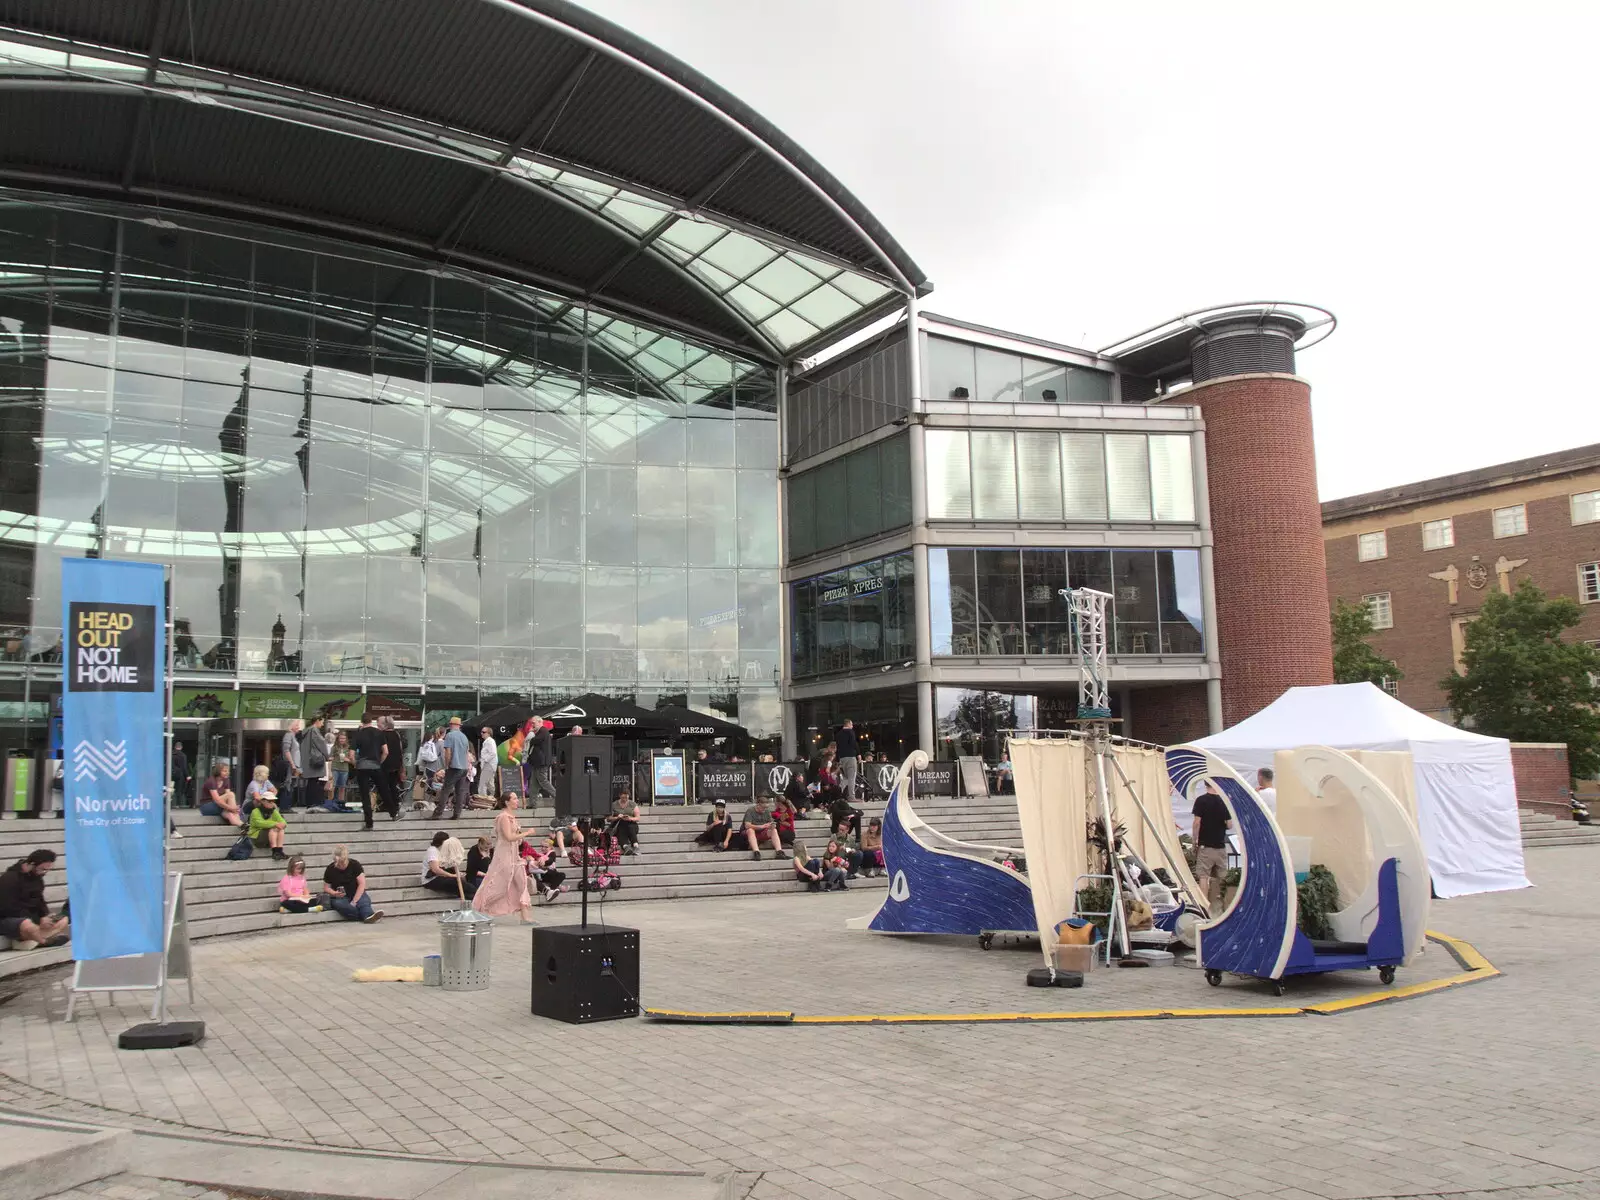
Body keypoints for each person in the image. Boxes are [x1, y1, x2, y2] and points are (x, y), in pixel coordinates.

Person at [474, 792, 536, 922]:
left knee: (522, 883)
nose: (517, 800)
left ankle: (525, 917)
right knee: (499, 885)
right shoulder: (503, 817)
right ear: (507, 802)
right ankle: (481, 910)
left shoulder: (512, 817)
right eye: (514, 798)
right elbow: (508, 837)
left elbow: (514, 839)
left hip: (514, 855)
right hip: (504, 855)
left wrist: (520, 837)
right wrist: (527, 833)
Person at [0, 850, 69, 947]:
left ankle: (33, 938)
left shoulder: (37, 878)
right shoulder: (10, 878)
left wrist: (44, 916)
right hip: (10, 919)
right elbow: (8, 909)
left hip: (31, 916)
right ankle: (44, 942)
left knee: (63, 919)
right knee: (27, 924)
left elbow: (39, 900)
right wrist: (35, 918)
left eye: (47, 870)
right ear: (32, 864)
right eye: (42, 869)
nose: (44, 873)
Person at [1191, 782, 1232, 912]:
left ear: (1205, 784)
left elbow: (1197, 822)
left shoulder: (1201, 800)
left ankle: (1204, 907)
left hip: (1205, 846)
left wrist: (1194, 840)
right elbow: (1230, 825)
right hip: (1220, 846)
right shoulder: (1224, 801)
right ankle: (1222, 907)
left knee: (1204, 876)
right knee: (1222, 877)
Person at [350, 713, 393, 829]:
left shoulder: (358, 734)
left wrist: (355, 764)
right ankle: (393, 813)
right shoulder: (379, 733)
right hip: (375, 766)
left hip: (362, 767)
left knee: (365, 795)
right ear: (371, 720)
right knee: (384, 789)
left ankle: (369, 823)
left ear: (362, 721)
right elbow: (386, 751)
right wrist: (379, 762)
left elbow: (351, 754)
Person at [321, 845, 382, 923]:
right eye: (337, 863)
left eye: (342, 862)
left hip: (356, 892)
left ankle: (368, 915)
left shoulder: (355, 865)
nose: (340, 865)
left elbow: (362, 884)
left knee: (364, 901)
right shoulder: (330, 869)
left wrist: (354, 901)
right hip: (341, 897)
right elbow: (326, 887)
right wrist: (334, 893)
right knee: (339, 904)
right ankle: (366, 917)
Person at [436, 716, 471, 820]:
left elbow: (448, 752)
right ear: (459, 726)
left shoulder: (449, 735)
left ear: (451, 725)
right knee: (460, 791)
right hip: (464, 767)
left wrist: (447, 765)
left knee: (446, 790)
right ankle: (457, 814)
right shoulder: (464, 737)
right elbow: (466, 753)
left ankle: (438, 813)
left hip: (454, 767)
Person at [421, 830, 466, 896]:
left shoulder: (442, 849)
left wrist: (458, 873)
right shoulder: (432, 851)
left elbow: (450, 864)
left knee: (463, 879)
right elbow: (435, 870)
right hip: (431, 880)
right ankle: (473, 895)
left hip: (439, 876)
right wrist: (452, 875)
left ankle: (472, 894)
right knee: (455, 881)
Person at [248, 788, 288, 861]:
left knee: (280, 829)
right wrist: (275, 824)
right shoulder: (255, 811)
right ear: (263, 801)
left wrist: (282, 824)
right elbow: (259, 823)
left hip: (269, 836)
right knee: (274, 828)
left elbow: (283, 821)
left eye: (273, 801)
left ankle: (279, 850)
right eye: (269, 801)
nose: (272, 803)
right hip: (256, 837)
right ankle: (275, 851)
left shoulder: (274, 811)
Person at [379, 716, 407, 816]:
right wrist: (401, 766)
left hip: (385, 764)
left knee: (384, 786)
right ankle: (395, 805)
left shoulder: (382, 735)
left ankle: (386, 805)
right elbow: (400, 751)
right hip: (395, 765)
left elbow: (382, 750)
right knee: (393, 786)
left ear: (385, 725)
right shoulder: (397, 734)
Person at [301, 715, 330, 811]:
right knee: (314, 782)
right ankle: (312, 803)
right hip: (315, 760)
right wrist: (327, 755)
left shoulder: (306, 731)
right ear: (317, 720)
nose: (322, 724)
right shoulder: (314, 730)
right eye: (322, 722)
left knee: (311, 782)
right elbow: (321, 744)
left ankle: (309, 803)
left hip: (308, 760)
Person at [523, 719, 556, 800]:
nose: (532, 725)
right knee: (533, 783)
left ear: (540, 722)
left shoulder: (543, 731)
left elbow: (533, 741)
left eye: (534, 723)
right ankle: (532, 803)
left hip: (541, 762)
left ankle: (558, 797)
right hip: (537, 762)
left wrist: (531, 733)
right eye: (531, 723)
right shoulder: (540, 732)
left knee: (543, 781)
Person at [326, 729, 354, 812]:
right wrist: (333, 758)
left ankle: (340, 804)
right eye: (340, 738)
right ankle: (330, 804)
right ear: (338, 739)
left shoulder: (349, 748)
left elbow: (352, 761)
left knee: (342, 787)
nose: (342, 740)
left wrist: (347, 759)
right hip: (335, 768)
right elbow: (329, 757)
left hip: (344, 769)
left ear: (346, 739)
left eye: (343, 738)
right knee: (332, 786)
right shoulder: (334, 747)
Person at [607, 790, 640, 856]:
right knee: (622, 823)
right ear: (620, 796)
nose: (624, 799)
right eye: (623, 798)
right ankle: (632, 845)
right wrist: (617, 817)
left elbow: (637, 818)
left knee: (629, 825)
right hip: (618, 824)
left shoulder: (632, 804)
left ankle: (630, 845)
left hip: (631, 824)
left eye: (626, 798)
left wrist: (630, 818)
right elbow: (608, 818)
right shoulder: (614, 804)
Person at [415, 727, 442, 810]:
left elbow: (420, 757)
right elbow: (435, 756)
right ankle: (431, 802)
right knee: (433, 785)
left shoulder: (423, 745)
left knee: (428, 784)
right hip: (433, 767)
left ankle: (426, 801)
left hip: (425, 767)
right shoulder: (431, 744)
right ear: (431, 737)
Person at [835, 718, 860, 801]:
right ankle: (851, 796)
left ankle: (838, 794)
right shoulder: (850, 732)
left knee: (845, 778)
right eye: (851, 724)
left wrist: (838, 759)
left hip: (842, 758)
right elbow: (853, 743)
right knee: (851, 777)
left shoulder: (838, 734)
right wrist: (858, 753)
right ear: (848, 724)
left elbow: (837, 747)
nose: (852, 726)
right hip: (850, 757)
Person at [281, 719, 303, 811]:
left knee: (292, 785)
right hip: (291, 765)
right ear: (291, 726)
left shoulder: (293, 736)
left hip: (294, 765)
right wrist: (293, 764)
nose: (299, 727)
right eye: (297, 725)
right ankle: (285, 807)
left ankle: (288, 807)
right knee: (288, 785)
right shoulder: (288, 735)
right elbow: (286, 751)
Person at [477, 726, 499, 799]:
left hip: (488, 765)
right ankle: (495, 798)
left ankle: (482, 800)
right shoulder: (488, 741)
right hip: (489, 765)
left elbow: (493, 753)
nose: (481, 733)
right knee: (490, 783)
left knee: (483, 783)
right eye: (481, 732)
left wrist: (485, 760)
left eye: (483, 732)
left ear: (489, 733)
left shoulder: (490, 741)